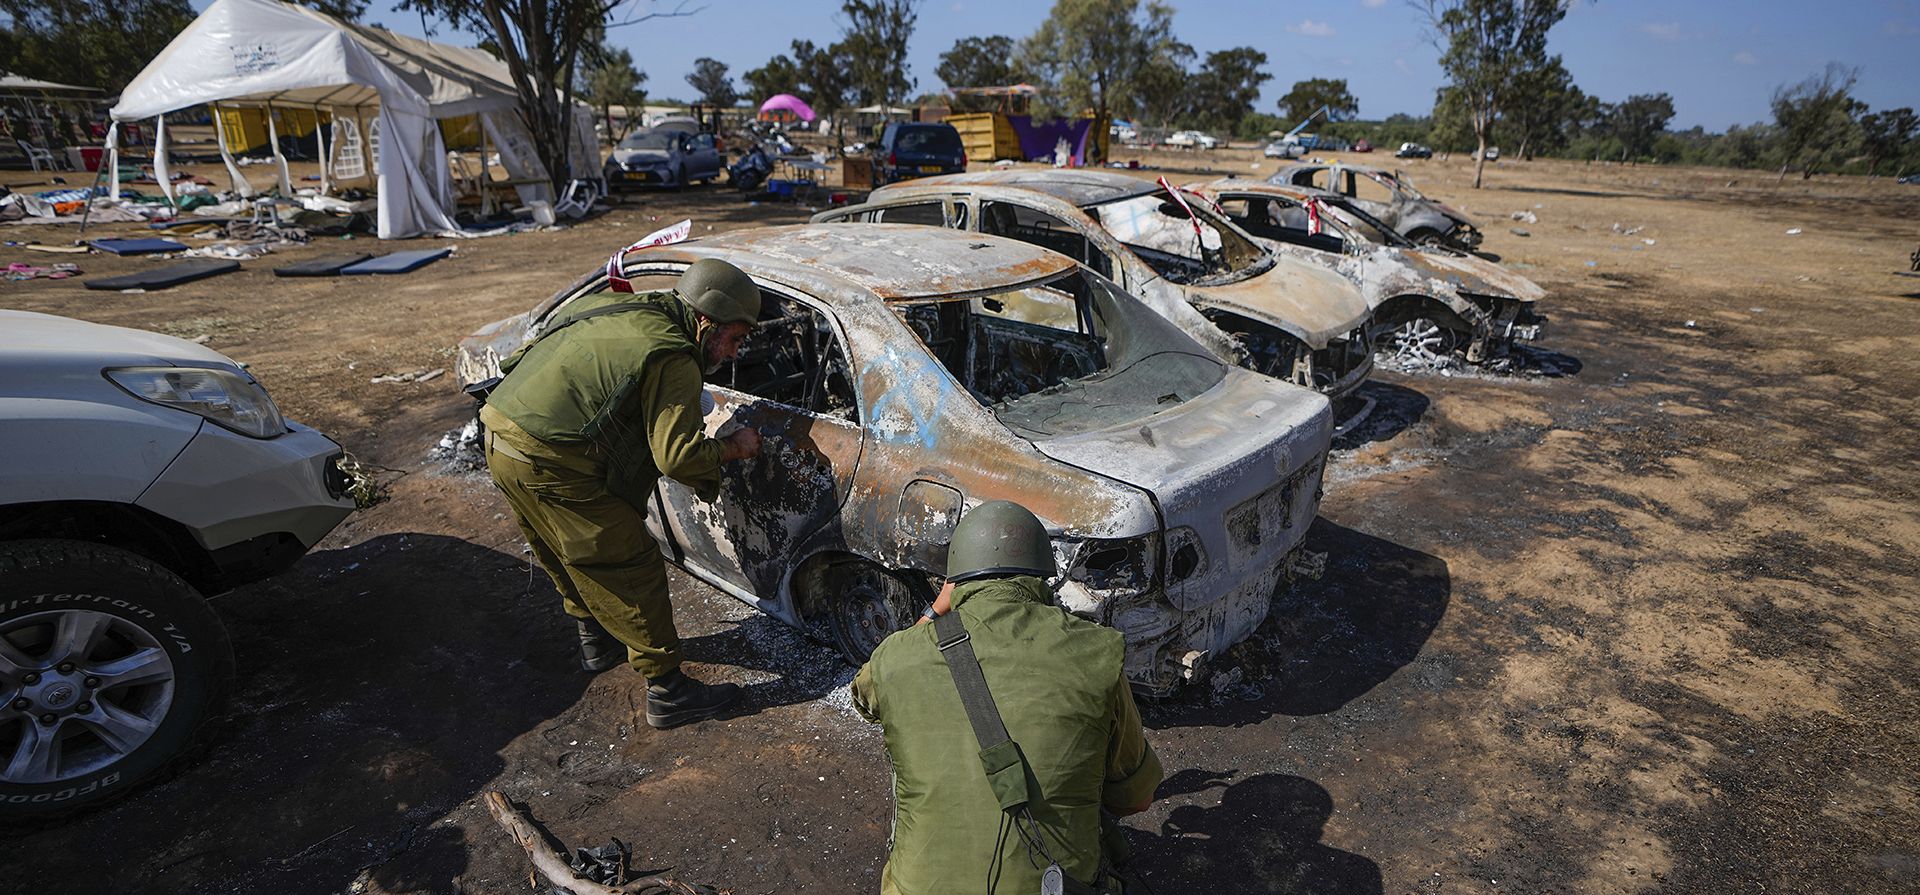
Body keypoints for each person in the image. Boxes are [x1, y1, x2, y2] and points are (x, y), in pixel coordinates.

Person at [480, 257, 764, 730]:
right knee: (630, 563)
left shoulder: (621, 308)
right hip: (550, 457)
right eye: (734, 338)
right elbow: (677, 458)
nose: (735, 353)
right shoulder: (674, 355)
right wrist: (733, 448)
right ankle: (669, 692)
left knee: (562, 546)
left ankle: (596, 639)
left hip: (500, 432)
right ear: (705, 322)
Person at [851, 500, 1164, 894]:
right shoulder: (1096, 654)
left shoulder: (896, 657)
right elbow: (1137, 799)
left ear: (956, 580)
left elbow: (864, 698)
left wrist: (932, 614)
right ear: (1042, 574)